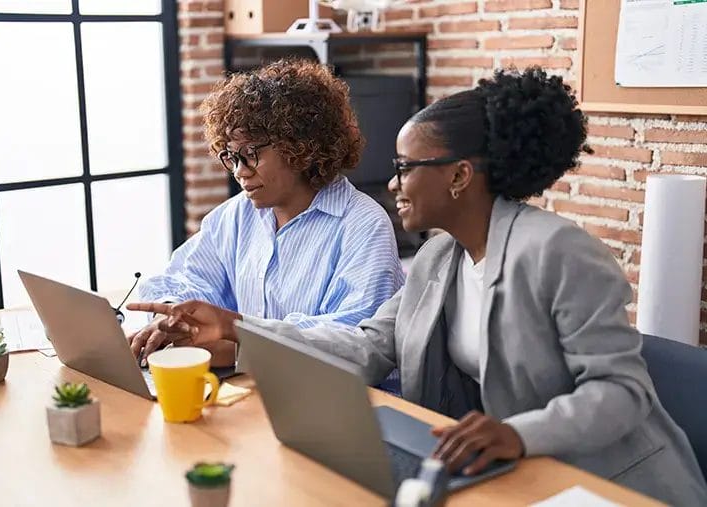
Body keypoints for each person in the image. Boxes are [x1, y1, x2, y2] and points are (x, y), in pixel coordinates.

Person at [128, 68, 707, 504]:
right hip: (513, 469)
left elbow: (622, 392)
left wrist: (515, 434)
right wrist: (240, 328)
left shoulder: (559, 252)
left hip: (611, 482)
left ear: (459, 176)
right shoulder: (439, 259)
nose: (393, 182)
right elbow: (367, 345)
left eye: (407, 167)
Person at [128, 58, 405, 366]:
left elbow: (350, 342)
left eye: (250, 154)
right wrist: (172, 318)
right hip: (252, 384)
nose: (239, 172)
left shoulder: (364, 225)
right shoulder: (236, 215)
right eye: (230, 156)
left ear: (301, 147)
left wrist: (235, 341)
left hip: (327, 389)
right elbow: (184, 278)